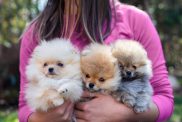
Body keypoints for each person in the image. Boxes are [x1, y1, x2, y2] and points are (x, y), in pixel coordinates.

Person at [18, 0, 174, 122]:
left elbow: (164, 97)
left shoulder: (135, 20)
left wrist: (125, 113)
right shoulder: (37, 32)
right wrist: (40, 118)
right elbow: (24, 108)